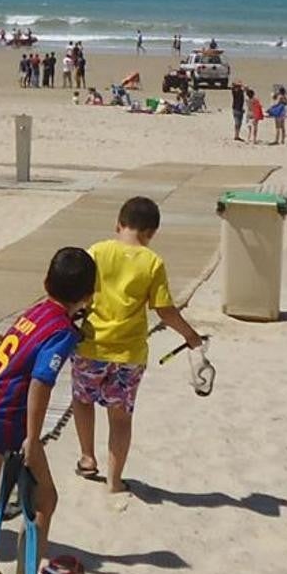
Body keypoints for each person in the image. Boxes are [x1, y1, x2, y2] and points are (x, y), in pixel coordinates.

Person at [0, 247, 96, 574]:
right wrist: (33, 439)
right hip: (7, 416)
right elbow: (41, 382)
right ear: (87, 296)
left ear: (46, 282)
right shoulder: (62, 331)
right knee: (43, 499)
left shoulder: (38, 310)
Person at [71, 197, 204, 493]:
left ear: (118, 224)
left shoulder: (97, 252)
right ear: (151, 233)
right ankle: (115, 481)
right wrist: (191, 336)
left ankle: (87, 457)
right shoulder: (153, 262)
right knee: (120, 418)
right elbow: (165, 311)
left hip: (91, 347)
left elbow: (79, 294)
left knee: (82, 400)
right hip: (129, 354)